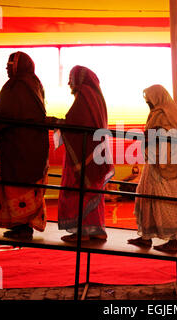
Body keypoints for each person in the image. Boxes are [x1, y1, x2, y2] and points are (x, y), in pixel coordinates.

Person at [0, 51, 49, 240]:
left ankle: (23, 228)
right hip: (30, 147)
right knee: (25, 186)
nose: (6, 68)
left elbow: (5, 112)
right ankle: (22, 225)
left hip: (19, 149)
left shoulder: (18, 85)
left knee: (18, 186)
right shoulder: (33, 83)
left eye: (10, 64)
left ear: (19, 67)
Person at [51, 65, 114, 243]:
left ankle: (83, 232)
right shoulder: (95, 96)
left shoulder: (84, 96)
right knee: (93, 191)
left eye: (71, 78)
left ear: (79, 79)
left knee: (80, 192)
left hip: (82, 153)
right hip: (95, 154)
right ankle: (97, 230)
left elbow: (76, 122)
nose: (69, 83)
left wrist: (58, 123)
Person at [128, 84, 177, 253]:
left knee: (166, 199)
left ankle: (173, 241)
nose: (149, 104)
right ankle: (145, 237)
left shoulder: (167, 114)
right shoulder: (158, 113)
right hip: (153, 163)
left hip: (165, 164)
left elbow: (169, 134)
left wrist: (154, 133)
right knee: (146, 196)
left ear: (157, 98)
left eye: (150, 101)